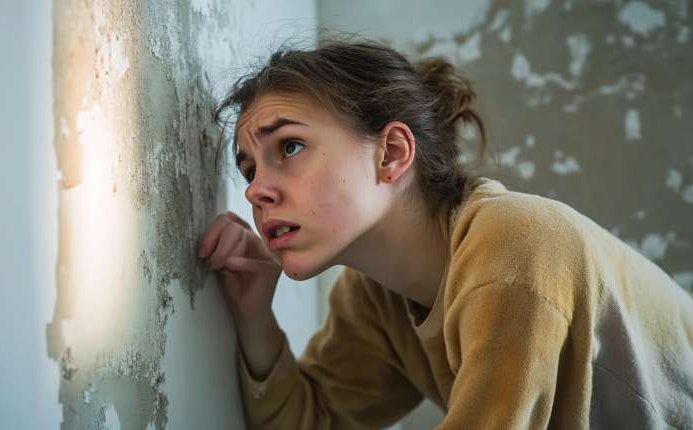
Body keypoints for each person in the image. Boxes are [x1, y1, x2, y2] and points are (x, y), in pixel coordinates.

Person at [196, 40, 693, 429]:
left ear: (391, 153)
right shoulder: (375, 296)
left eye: (290, 146)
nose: (256, 191)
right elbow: (315, 421)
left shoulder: (515, 245)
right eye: (248, 169)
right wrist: (255, 316)